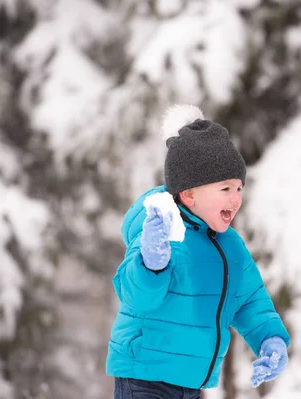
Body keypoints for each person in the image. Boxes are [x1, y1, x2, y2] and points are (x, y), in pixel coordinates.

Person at [105, 105, 290, 399]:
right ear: (189, 193)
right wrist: (150, 264)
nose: (236, 198)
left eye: (239, 188)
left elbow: (249, 301)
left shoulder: (230, 247)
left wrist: (271, 340)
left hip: (191, 385)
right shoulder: (160, 230)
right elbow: (136, 296)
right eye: (225, 188)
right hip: (144, 377)